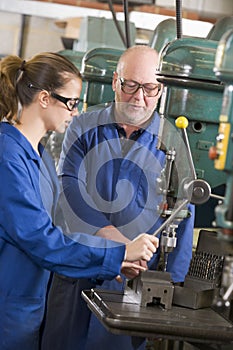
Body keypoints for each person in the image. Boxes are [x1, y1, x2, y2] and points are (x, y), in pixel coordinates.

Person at [0, 52, 160, 350]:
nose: (74, 112)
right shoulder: (7, 156)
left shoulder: (40, 157)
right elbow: (40, 239)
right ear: (45, 98)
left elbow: (57, 229)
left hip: (28, 304)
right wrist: (119, 251)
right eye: (71, 102)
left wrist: (117, 261)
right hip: (8, 307)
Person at [41, 45, 195, 350]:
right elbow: (70, 192)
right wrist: (121, 246)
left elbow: (183, 216)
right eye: (130, 86)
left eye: (150, 88)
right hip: (79, 272)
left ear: (161, 89)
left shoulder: (174, 143)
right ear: (115, 81)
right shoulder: (83, 126)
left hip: (136, 287)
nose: (139, 97)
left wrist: (172, 291)